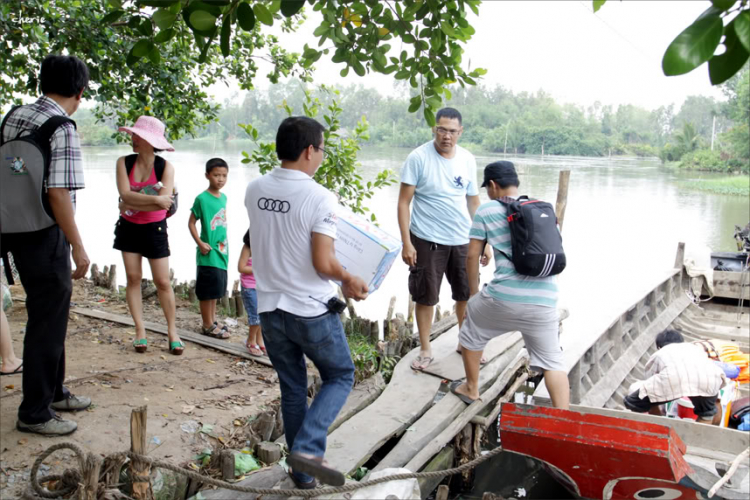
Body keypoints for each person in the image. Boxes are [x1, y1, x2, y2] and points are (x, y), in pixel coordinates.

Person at [245, 116, 368, 488]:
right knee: (340, 374)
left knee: (293, 387)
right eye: (322, 150)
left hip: (269, 308)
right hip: (310, 309)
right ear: (309, 150)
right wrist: (348, 277)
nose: (321, 157)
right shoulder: (319, 196)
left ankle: (302, 474)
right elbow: (323, 262)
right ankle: (308, 450)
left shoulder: (254, 189)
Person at [0, 54, 92, 435]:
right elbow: (57, 194)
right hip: (45, 232)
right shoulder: (62, 126)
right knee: (47, 319)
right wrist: (78, 246)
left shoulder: (14, 115)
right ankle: (35, 412)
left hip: (12, 227)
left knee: (48, 314)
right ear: (80, 92)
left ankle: (54, 391)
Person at [450, 161, 570, 409]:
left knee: (471, 329)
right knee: (552, 362)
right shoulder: (543, 209)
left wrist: (474, 295)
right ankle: (564, 416)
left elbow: (472, 256)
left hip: (503, 297)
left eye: (488, 188)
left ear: (493, 185)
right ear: (516, 183)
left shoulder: (487, 210)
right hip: (545, 302)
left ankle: (471, 388)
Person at [397, 107, 491, 371]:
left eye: (452, 131)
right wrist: (407, 242)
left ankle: (465, 342)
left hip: (463, 238)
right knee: (425, 296)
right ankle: (426, 350)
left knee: (467, 293)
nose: (446, 136)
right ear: (434, 129)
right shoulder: (418, 158)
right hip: (427, 239)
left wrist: (485, 239)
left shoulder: (467, 159)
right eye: (441, 129)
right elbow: (404, 203)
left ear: (460, 132)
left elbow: (474, 201)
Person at [114, 115, 183, 355]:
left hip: (155, 229)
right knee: (133, 278)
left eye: (137, 136)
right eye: (133, 135)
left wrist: (132, 201)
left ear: (148, 140)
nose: (132, 139)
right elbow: (125, 195)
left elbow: (163, 207)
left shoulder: (166, 167)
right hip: (128, 227)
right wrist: (153, 199)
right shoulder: (123, 162)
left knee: (163, 282)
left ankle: (172, 332)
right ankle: (140, 331)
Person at [624, 329, 726, 425]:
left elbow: (649, 387)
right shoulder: (695, 348)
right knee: (707, 413)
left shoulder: (659, 354)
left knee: (633, 401)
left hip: (674, 379)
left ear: (659, 346)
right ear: (682, 342)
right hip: (709, 379)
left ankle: (660, 426)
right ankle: (701, 438)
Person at [188, 158, 230, 339]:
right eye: (216, 175)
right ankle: (206, 325)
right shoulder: (202, 199)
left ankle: (212, 320)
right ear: (207, 176)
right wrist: (200, 242)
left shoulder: (224, 197)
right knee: (206, 291)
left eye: (224, 176)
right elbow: (191, 223)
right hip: (208, 252)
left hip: (222, 252)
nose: (220, 179)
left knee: (215, 290)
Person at [238, 230, 265, 356]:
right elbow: (241, 267)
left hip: (263, 287)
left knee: (263, 315)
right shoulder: (248, 248)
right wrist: (259, 269)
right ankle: (250, 340)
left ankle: (260, 341)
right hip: (249, 287)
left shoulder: (267, 249)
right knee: (255, 316)